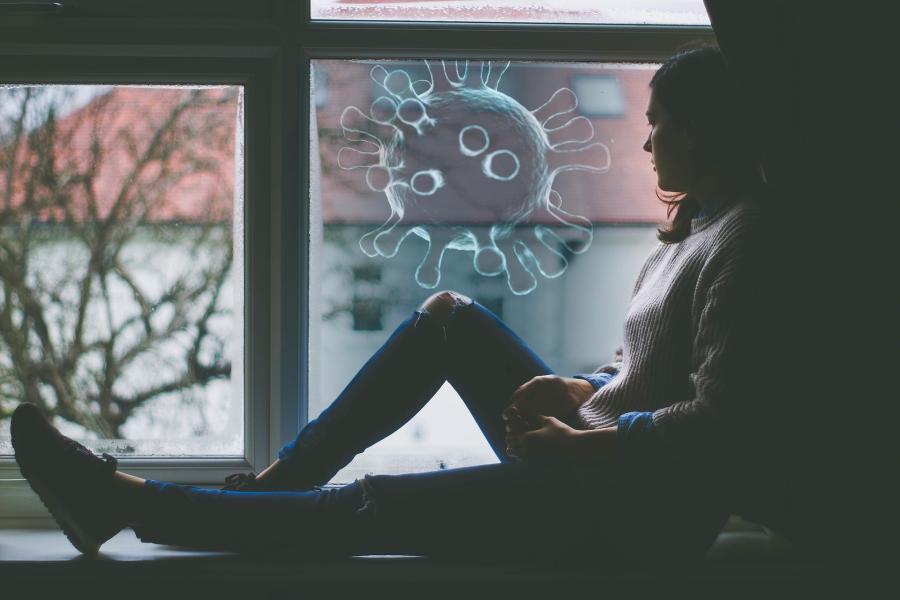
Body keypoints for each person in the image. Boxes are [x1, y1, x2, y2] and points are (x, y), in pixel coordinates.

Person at [11, 44, 769, 569]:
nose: (646, 148)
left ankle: (123, 502)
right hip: (592, 464)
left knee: (374, 506)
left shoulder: (750, 242)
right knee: (446, 316)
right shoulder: (689, 232)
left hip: (631, 520)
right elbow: (639, 369)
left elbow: (721, 429)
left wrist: (577, 443)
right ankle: (275, 488)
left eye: (658, 124)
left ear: (700, 132)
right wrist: (578, 390)